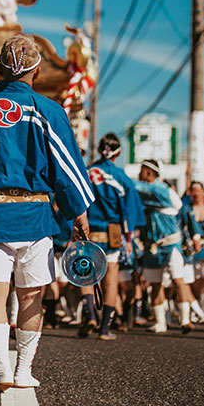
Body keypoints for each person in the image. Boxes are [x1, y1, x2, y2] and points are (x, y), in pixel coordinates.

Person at [0, 34, 92, 392]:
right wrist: (78, 212)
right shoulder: (49, 110)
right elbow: (67, 166)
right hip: (35, 215)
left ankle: (0, 370)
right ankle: (24, 370)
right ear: (38, 71)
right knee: (31, 296)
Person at [80, 133, 145, 340]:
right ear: (118, 152)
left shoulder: (86, 171)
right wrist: (129, 237)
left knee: (86, 275)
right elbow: (129, 211)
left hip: (88, 228)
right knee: (111, 280)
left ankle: (90, 314)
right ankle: (105, 329)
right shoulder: (121, 176)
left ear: (100, 149)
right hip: (113, 231)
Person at [134, 160, 194, 333]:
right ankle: (160, 322)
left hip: (170, 243)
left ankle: (185, 319)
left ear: (149, 172)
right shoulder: (147, 193)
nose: (140, 173)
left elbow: (139, 188)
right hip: (152, 245)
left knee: (177, 279)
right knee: (155, 283)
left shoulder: (161, 189)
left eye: (142, 170)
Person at [179, 181, 204, 323]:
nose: (196, 193)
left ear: (203, 191)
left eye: (198, 190)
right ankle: (196, 311)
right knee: (195, 283)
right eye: (193, 190)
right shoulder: (185, 209)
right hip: (191, 250)